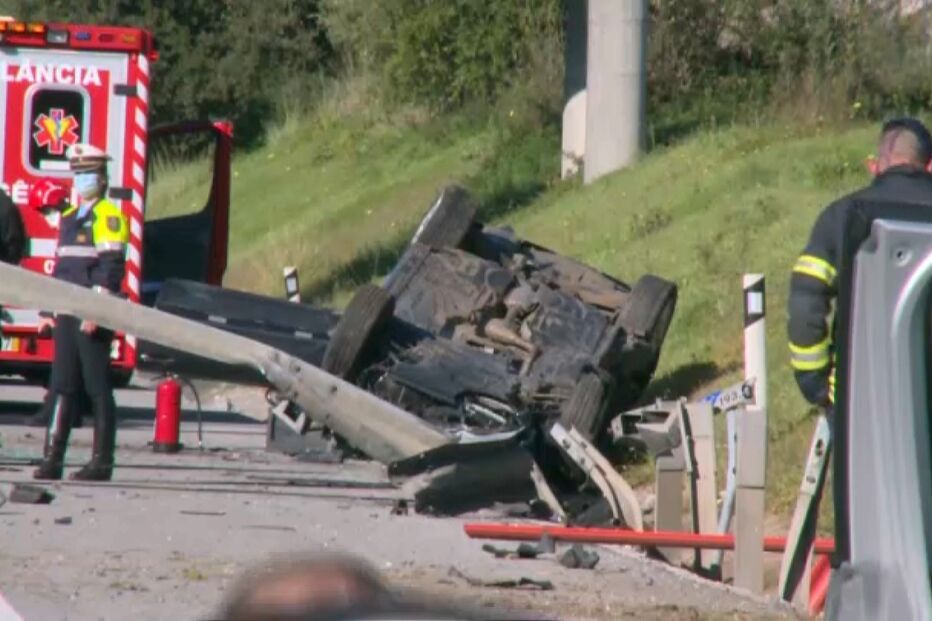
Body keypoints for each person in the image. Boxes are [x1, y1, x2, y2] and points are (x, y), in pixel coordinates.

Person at [787, 117, 932, 413]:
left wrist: (815, 383)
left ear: (874, 165)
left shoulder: (839, 217)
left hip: (860, 397)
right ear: (929, 166)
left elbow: (805, 303)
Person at [33, 144, 129, 481]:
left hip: (91, 314)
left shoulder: (109, 215)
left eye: (87, 174)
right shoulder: (71, 218)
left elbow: (112, 267)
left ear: (102, 179)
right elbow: (62, 269)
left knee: (96, 386)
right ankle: (52, 459)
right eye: (77, 174)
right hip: (67, 312)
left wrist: (97, 311)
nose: (82, 179)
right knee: (62, 384)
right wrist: (47, 311)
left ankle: (102, 462)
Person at [23, 180, 91, 430]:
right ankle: (64, 413)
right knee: (68, 368)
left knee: (66, 369)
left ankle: (57, 414)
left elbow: (66, 274)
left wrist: (49, 311)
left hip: (75, 306)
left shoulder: (72, 226)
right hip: (68, 305)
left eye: (45, 210)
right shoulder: (67, 226)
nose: (45, 216)